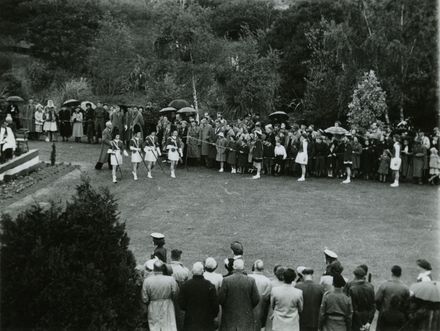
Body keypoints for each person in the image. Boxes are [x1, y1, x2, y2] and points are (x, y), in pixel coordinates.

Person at [218, 259, 260, 331]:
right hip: (245, 318)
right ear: (243, 268)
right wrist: (248, 307)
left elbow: (221, 299)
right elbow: (256, 298)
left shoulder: (226, 280)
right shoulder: (251, 280)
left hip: (229, 318)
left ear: (234, 267)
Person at [178, 262, 220, 331]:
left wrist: (188, 308)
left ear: (192, 272)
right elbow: (215, 304)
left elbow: (181, 302)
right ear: (203, 272)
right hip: (206, 320)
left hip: (191, 319)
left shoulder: (186, 285)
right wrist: (214, 315)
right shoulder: (209, 285)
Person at [142, 259, 179, 331]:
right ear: (163, 268)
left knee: (155, 327)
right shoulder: (171, 279)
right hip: (168, 305)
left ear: (154, 268)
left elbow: (145, 298)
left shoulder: (147, 280)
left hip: (153, 305)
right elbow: (175, 293)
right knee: (169, 325)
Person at [375, 265, 410, 330]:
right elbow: (407, 305)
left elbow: (377, 300)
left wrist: (381, 309)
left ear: (392, 273)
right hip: (399, 320)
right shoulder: (405, 288)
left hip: (384, 317)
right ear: (400, 274)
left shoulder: (384, 285)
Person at [346, 267, 375, 331]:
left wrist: (361, 325)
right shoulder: (371, 286)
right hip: (367, 317)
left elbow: (354, 309)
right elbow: (373, 306)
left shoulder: (352, 289)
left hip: (356, 320)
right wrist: (369, 322)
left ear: (355, 276)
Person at [249, 259, 272, 331]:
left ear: (254, 267)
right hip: (261, 310)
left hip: (248, 309)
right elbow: (267, 298)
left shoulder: (248, 277)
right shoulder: (267, 281)